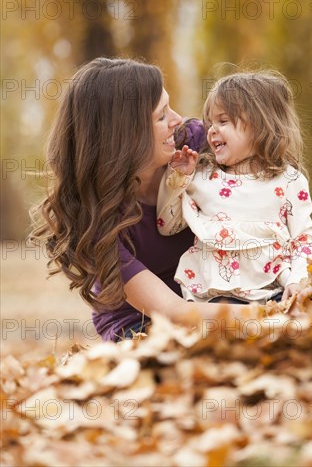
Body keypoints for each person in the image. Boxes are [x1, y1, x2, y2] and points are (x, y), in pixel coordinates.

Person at [30, 57, 259, 341]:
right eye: (161, 115)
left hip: (218, 296)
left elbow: (270, 184)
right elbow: (173, 311)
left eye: (170, 106)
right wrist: (270, 313)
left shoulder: (196, 143)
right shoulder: (96, 221)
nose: (177, 119)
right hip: (142, 324)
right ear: (125, 136)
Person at [157, 70, 312, 304]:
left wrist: (298, 280)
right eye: (210, 122)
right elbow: (167, 226)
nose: (212, 130)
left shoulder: (289, 181)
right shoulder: (203, 177)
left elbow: (303, 239)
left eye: (223, 121)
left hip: (273, 289)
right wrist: (177, 180)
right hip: (213, 296)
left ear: (261, 126)